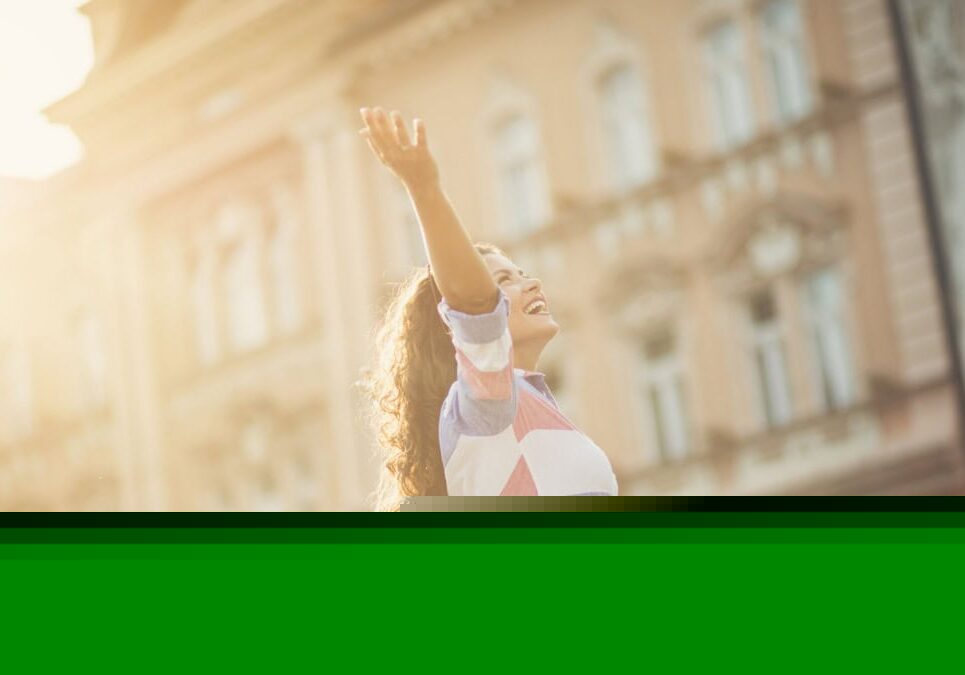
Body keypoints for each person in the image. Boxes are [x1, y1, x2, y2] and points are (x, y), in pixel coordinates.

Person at [359, 107, 618, 510]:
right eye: (504, 283)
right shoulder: (489, 408)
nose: (530, 283)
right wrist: (423, 189)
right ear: (454, 328)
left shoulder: (530, 405)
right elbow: (475, 305)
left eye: (521, 273)